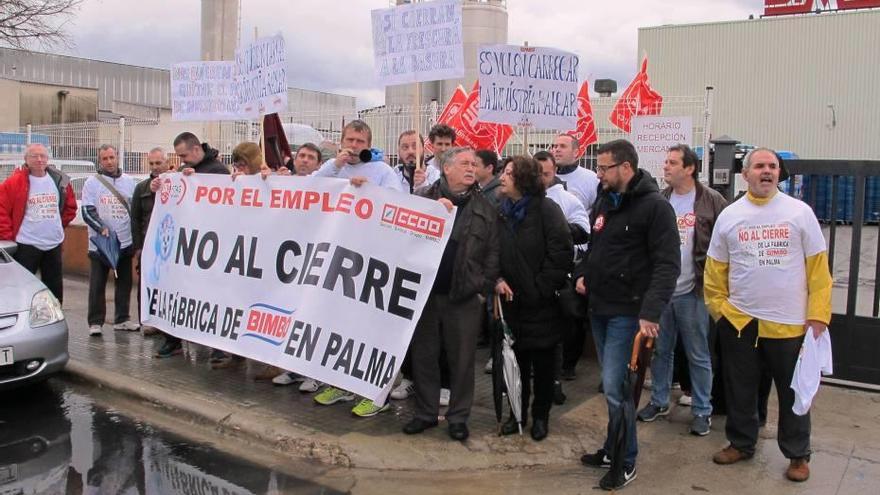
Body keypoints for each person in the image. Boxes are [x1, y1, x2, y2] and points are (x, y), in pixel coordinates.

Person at [704, 148, 832, 482]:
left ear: (779, 174)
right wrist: (721, 311)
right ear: (745, 174)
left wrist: (818, 316)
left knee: (793, 395)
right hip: (741, 323)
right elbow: (715, 271)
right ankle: (742, 442)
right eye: (759, 166)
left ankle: (797, 454)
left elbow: (819, 270)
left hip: (789, 325)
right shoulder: (730, 216)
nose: (767, 171)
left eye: (772, 167)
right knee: (740, 389)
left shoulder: (799, 213)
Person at [575, 139, 680, 491]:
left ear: (625, 167)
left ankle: (626, 460)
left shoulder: (655, 208)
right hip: (600, 308)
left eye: (604, 168)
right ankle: (611, 448)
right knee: (612, 388)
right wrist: (582, 276)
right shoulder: (606, 201)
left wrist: (651, 312)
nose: (599, 174)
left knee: (618, 390)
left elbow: (668, 265)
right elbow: (595, 248)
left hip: (628, 313)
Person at [403, 147, 500, 441]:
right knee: (425, 356)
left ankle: (458, 417)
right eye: (465, 164)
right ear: (447, 168)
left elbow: (493, 253)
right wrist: (432, 212)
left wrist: (482, 288)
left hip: (464, 298)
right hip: (426, 295)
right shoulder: (422, 200)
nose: (472, 168)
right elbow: (402, 239)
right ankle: (425, 413)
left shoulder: (485, 208)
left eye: (474, 164)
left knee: (462, 360)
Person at [636, 144, 727, 437]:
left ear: (689, 168)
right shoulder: (660, 199)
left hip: (694, 291)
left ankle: (702, 410)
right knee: (661, 351)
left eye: (672, 162)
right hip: (662, 292)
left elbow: (724, 244)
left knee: (698, 352)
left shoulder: (712, 201)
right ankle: (660, 400)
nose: (666, 167)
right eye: (665, 162)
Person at [494, 155, 573, 441]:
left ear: (523, 180)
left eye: (509, 173)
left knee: (541, 366)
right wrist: (497, 279)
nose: (502, 176)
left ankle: (540, 416)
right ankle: (516, 414)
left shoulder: (547, 211)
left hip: (541, 305)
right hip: (510, 305)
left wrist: (540, 288)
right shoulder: (500, 211)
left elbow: (561, 253)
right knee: (514, 365)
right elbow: (491, 251)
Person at [152, 132, 231, 365]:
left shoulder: (217, 172)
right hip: (186, 247)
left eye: (184, 155)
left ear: (196, 150)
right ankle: (173, 339)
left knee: (211, 297)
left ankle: (217, 346)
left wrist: (194, 179)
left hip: (210, 247)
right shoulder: (185, 173)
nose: (182, 160)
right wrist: (160, 184)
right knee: (179, 293)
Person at [534, 150, 590, 404]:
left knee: (554, 335)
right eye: (537, 173)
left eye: (546, 173)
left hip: (556, 278)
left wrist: (559, 233)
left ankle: (554, 380)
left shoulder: (566, 200)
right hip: (527, 278)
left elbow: (583, 234)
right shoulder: (520, 199)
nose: (541, 178)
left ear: (554, 171)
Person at [0, 143, 77, 302]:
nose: (39, 160)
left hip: (53, 243)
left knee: (54, 288)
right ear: (26, 159)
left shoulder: (59, 180)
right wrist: (8, 237)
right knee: (22, 288)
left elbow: (70, 207)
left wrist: (57, 227)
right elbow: (2, 210)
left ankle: (54, 319)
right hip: (26, 245)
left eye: (43, 156)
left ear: (48, 159)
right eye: (34, 156)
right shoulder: (14, 183)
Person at [81, 144, 139, 336]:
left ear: (117, 158)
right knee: (97, 284)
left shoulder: (130, 182)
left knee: (124, 282)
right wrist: (101, 227)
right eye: (105, 158)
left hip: (124, 241)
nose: (109, 162)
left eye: (112, 157)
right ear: (100, 161)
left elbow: (135, 211)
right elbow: (87, 211)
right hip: (100, 243)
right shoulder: (92, 183)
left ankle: (122, 319)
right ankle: (95, 322)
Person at [131, 148, 171, 338]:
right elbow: (135, 219)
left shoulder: (178, 182)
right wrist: (138, 247)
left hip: (169, 246)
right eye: (152, 164)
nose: (155, 167)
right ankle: (146, 321)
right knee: (146, 285)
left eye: (158, 163)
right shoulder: (142, 188)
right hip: (148, 245)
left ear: (167, 161)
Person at [312, 120, 403, 192]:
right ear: (341, 142)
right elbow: (310, 187)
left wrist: (370, 189)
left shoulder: (383, 170)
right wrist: (335, 166)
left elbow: (395, 199)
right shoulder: (332, 164)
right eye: (350, 140)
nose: (354, 145)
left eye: (360, 141)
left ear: (368, 146)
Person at [550, 133, 600, 216]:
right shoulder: (544, 178)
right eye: (555, 146)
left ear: (576, 152)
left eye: (563, 146)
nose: (557, 149)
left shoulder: (591, 178)